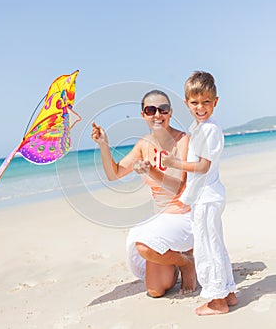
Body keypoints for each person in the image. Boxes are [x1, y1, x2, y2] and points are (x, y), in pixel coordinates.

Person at [91, 89, 196, 298]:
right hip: (162, 220)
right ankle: (178, 258)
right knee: (155, 290)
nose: (157, 114)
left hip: (185, 216)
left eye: (163, 109)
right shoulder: (143, 144)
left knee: (143, 245)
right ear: (144, 115)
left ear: (170, 112)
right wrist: (104, 145)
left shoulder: (183, 140)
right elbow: (114, 174)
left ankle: (187, 263)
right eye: (151, 110)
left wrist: (151, 171)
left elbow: (177, 186)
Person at [162, 71, 237, 315]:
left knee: (207, 247)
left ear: (215, 101)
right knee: (214, 242)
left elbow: (203, 166)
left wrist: (175, 165)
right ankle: (228, 292)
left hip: (207, 197)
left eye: (206, 102)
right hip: (207, 195)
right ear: (186, 104)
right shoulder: (201, 127)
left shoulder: (209, 130)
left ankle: (217, 301)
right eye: (195, 102)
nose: (200, 107)